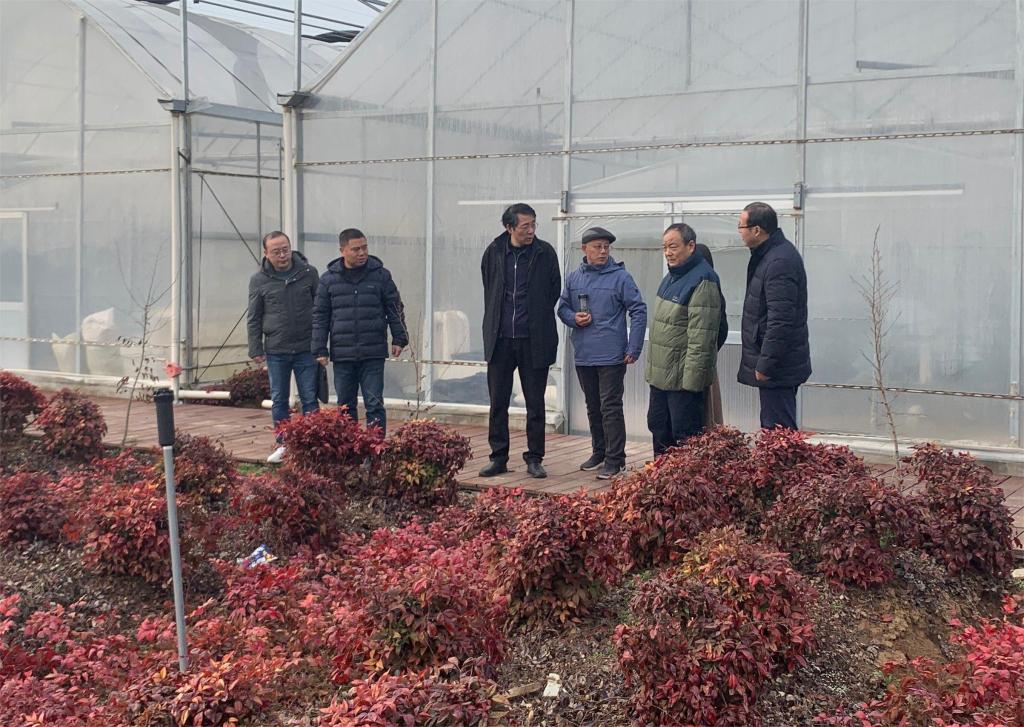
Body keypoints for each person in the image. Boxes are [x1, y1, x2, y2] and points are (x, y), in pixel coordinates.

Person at [479, 203, 561, 479]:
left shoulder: (545, 253)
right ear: (509, 227)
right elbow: (489, 287)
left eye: (534, 224)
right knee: (498, 402)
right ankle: (498, 457)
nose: (531, 230)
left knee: (535, 403)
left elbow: (553, 290)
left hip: (533, 339)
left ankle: (534, 458)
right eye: (525, 226)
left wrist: (535, 316)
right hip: (500, 339)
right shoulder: (494, 252)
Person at [557, 226, 646, 480]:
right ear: (584, 249)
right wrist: (573, 318)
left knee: (610, 406)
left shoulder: (621, 277)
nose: (603, 251)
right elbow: (562, 307)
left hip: (612, 355)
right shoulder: (574, 278)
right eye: (597, 247)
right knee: (593, 406)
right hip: (584, 353)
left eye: (606, 247)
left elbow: (638, 310)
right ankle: (599, 452)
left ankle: (615, 459)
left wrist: (633, 347)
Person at [312, 228, 408, 435]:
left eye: (364, 248)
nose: (362, 253)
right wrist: (320, 348)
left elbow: (394, 308)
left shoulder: (381, 276)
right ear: (342, 251)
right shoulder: (328, 280)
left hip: (373, 352)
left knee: (374, 403)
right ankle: (350, 447)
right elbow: (320, 316)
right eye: (355, 249)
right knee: (345, 406)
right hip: (343, 354)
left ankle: (375, 447)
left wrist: (399, 338)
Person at [646, 223, 723, 455]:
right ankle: (661, 476)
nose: (668, 253)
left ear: (691, 246)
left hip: (683, 382)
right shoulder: (671, 277)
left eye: (673, 246)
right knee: (658, 427)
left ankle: (682, 480)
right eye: (664, 247)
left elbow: (702, 339)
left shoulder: (703, 280)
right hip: (661, 377)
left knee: (685, 436)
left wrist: (692, 385)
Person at [247, 231, 320, 463]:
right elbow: (254, 317)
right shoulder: (259, 280)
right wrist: (255, 348)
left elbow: (321, 309)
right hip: (277, 349)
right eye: (276, 251)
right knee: (279, 399)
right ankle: (284, 443)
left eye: (285, 249)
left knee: (309, 398)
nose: (282, 255)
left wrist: (321, 343)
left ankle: (313, 444)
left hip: (306, 347)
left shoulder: (308, 273)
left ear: (291, 248)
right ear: (266, 253)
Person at [736, 202, 811, 430]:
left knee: (779, 432)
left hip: (778, 367)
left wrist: (766, 364)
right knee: (774, 430)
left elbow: (780, 320)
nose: (739, 232)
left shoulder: (779, 261)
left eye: (741, 226)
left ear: (757, 230)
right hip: (777, 365)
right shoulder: (769, 255)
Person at [694, 242, 729, 428]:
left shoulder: (709, 287)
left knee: (706, 410)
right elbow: (723, 328)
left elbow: (722, 328)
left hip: (702, 361)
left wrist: (709, 349)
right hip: (705, 358)